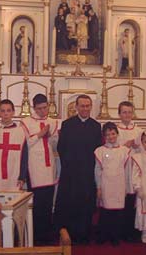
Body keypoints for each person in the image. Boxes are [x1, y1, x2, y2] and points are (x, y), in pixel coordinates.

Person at [54, 94, 102, 244]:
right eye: (82, 106)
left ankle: (84, 234)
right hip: (70, 173)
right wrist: (70, 165)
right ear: (76, 107)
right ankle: (69, 234)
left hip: (88, 173)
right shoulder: (67, 124)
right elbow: (61, 147)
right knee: (69, 203)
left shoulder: (96, 126)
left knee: (86, 204)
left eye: (88, 106)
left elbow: (97, 150)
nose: (85, 109)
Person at [22, 94, 60, 244]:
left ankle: (47, 235)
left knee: (48, 203)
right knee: (37, 204)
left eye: (45, 108)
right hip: (34, 167)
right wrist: (39, 135)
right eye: (39, 108)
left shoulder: (53, 122)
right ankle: (35, 236)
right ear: (34, 108)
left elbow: (56, 147)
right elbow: (24, 145)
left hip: (48, 166)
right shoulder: (26, 123)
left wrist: (51, 137)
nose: (43, 111)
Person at [94, 122, 130, 246]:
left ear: (117, 134)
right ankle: (103, 235)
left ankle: (115, 236)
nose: (111, 136)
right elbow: (98, 171)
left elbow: (127, 171)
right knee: (105, 211)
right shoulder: (100, 151)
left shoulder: (125, 151)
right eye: (107, 134)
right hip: (106, 184)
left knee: (117, 212)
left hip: (119, 184)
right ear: (104, 136)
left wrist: (127, 187)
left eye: (113, 133)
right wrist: (98, 187)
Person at [0, 99, 28, 191]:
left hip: (14, 177)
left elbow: (24, 156)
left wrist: (22, 177)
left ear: (13, 112)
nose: (6, 114)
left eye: (9, 110)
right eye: (3, 111)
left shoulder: (20, 131)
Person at [116, 101, 142, 242]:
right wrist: (124, 146)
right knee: (121, 197)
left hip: (134, 167)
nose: (127, 115)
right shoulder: (115, 130)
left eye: (129, 112)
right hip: (120, 168)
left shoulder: (138, 130)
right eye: (124, 112)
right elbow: (111, 147)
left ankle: (132, 230)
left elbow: (145, 149)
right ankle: (119, 230)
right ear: (119, 114)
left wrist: (138, 146)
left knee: (132, 199)